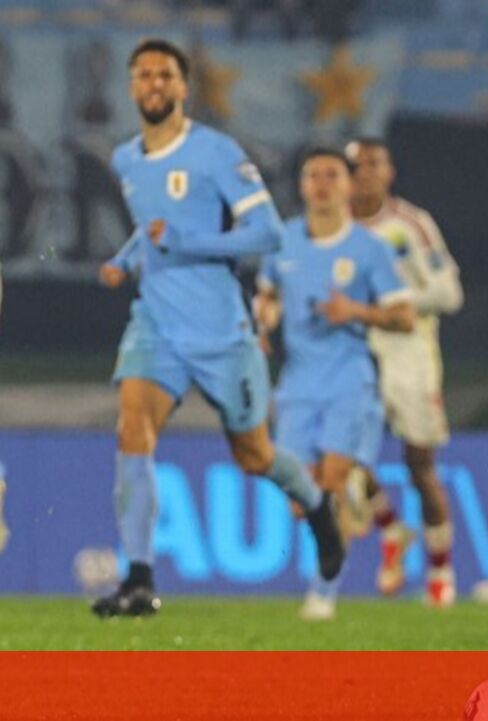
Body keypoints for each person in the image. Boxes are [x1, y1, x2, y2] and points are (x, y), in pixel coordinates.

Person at [93, 39, 344, 618]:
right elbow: (151, 229)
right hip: (156, 323)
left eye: (165, 74)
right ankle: (138, 580)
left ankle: (317, 505)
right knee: (132, 431)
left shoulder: (215, 152)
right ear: (132, 87)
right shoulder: (127, 158)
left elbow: (267, 233)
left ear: (183, 87)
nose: (154, 84)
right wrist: (125, 260)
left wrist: (188, 241)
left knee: (255, 456)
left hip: (220, 332)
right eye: (143, 75)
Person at [255, 148, 415, 620]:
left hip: (349, 379)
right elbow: (267, 296)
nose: (322, 183)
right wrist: (263, 321)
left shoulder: (370, 249)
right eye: (313, 175)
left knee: (330, 482)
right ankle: (363, 502)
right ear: (302, 185)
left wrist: (356, 311)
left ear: (348, 186)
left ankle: (323, 592)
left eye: (332, 175)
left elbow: (404, 316)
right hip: (297, 383)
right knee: (300, 501)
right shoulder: (283, 241)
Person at [346, 137, 463, 605]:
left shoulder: (410, 224)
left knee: (419, 464)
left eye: (374, 164)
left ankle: (440, 572)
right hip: (354, 350)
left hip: (409, 350)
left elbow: (450, 293)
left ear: (389, 172)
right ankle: (391, 528)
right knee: (343, 452)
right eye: (357, 166)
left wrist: (395, 304)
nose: (365, 173)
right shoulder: (333, 230)